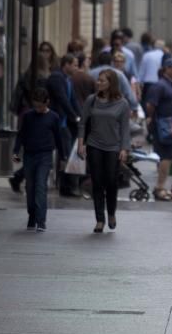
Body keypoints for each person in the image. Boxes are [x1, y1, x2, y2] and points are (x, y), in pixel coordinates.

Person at [77, 70, 131, 233]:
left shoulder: (122, 104)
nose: (98, 83)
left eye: (102, 81)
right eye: (98, 80)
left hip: (113, 147)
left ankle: (112, 213)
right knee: (97, 182)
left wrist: (124, 148)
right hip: (94, 145)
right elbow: (83, 123)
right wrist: (81, 144)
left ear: (111, 84)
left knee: (111, 182)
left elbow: (125, 128)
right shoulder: (91, 100)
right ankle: (100, 219)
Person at [12, 88, 66, 232]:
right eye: (35, 106)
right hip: (29, 155)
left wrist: (63, 157)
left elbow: (58, 138)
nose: (37, 109)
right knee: (30, 187)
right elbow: (21, 135)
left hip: (45, 155)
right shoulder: (28, 116)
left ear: (47, 102)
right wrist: (16, 151)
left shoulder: (53, 117)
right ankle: (32, 216)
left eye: (40, 106)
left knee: (41, 186)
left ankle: (41, 220)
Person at [46, 54, 82, 197]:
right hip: (58, 123)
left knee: (65, 154)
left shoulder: (68, 80)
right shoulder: (57, 78)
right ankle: (67, 187)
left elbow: (72, 99)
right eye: (74, 64)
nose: (76, 68)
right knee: (64, 154)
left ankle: (66, 187)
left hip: (64, 123)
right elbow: (62, 99)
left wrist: (80, 116)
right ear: (66, 65)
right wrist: (74, 116)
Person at [144, 56, 172, 201]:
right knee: (166, 156)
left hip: (170, 125)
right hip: (162, 126)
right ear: (167, 68)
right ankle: (159, 187)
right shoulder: (159, 86)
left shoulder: (171, 84)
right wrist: (151, 118)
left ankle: (162, 186)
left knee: (168, 157)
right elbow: (150, 105)